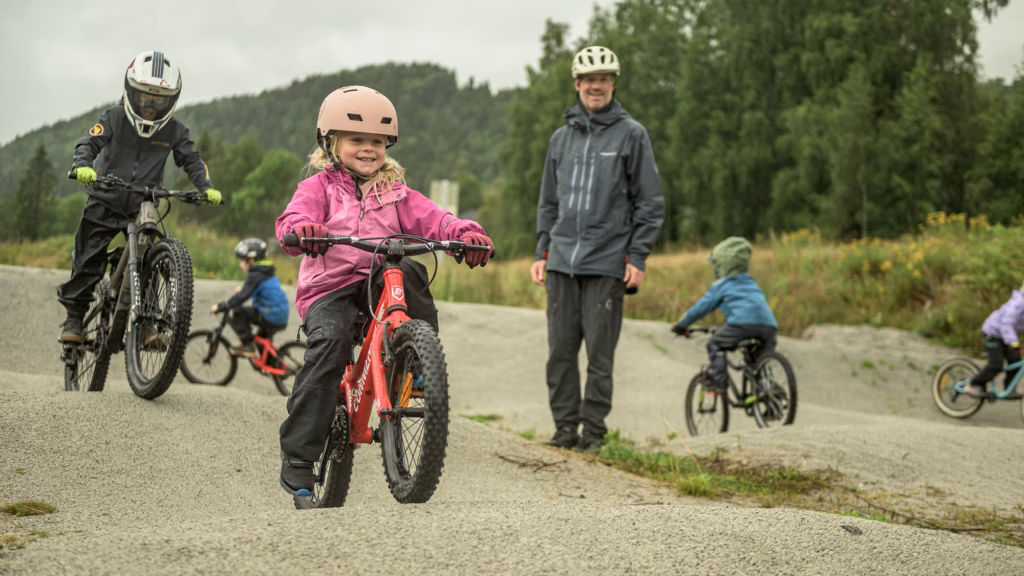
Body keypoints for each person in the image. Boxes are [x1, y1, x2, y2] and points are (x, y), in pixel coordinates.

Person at [274, 85, 494, 495]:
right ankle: (300, 453)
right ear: (332, 142)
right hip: (330, 287)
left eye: (377, 142)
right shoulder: (318, 188)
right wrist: (301, 231)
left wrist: (463, 232)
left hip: (377, 278)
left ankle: (417, 361)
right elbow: (293, 219)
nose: (368, 149)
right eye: (356, 140)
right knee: (331, 342)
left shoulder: (395, 191)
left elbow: (434, 218)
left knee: (409, 269)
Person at [530, 46, 665, 453]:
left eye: (604, 78)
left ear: (613, 84)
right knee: (560, 353)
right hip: (561, 261)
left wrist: (638, 255)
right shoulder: (561, 138)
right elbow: (548, 202)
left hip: (607, 262)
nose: (596, 85)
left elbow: (650, 202)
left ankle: (594, 434)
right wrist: (542, 251)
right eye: (589, 79)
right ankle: (565, 429)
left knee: (599, 358)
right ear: (577, 84)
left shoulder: (632, 134)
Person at [58, 50, 222, 342]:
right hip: (105, 199)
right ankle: (74, 319)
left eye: (159, 100)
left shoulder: (174, 130)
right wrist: (82, 166)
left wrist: (206, 186)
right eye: (145, 97)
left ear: (171, 100)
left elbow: (192, 160)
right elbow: (89, 143)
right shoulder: (114, 117)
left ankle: (146, 325)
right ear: (130, 91)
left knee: (150, 258)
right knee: (88, 259)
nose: (150, 105)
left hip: (143, 204)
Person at [670, 237, 778, 393]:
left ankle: (718, 381)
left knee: (715, 344)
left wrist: (681, 324)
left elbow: (701, 308)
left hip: (741, 324)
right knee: (759, 361)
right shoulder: (752, 282)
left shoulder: (722, 285)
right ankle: (767, 394)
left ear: (721, 265)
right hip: (769, 326)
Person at [211, 238, 290, 358]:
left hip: (271, 315)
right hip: (279, 314)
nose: (240, 263)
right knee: (261, 342)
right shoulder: (264, 272)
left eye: (242, 260)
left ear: (251, 260)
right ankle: (274, 365)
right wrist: (244, 289)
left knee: (238, 311)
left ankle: (247, 345)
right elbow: (257, 289)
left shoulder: (256, 275)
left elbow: (241, 297)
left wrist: (222, 306)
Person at [964, 283, 1024, 400]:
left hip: (1005, 336)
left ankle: (1009, 389)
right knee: (996, 364)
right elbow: (1006, 324)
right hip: (992, 333)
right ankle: (974, 384)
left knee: (1016, 359)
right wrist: (1014, 343)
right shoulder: (1019, 303)